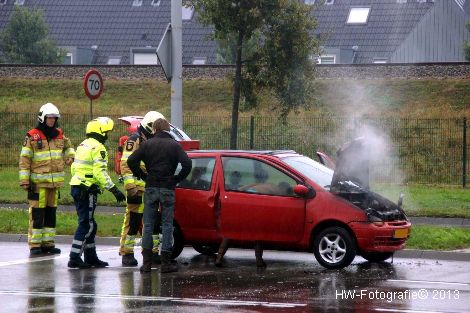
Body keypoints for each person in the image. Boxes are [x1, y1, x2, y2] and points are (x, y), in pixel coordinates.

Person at [128, 117, 192, 273]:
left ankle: (147, 264)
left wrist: (143, 176)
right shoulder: (174, 146)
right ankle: (165, 263)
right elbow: (187, 164)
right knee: (167, 225)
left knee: (148, 225)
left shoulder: (147, 144)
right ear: (167, 130)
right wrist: (176, 179)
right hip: (168, 188)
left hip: (151, 187)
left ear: (154, 130)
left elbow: (131, 161)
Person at [68, 117, 126, 269]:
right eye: (106, 133)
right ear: (99, 132)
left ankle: (91, 256)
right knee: (86, 224)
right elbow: (100, 172)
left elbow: (74, 168)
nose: (107, 136)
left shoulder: (82, 145)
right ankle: (74, 257)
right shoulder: (99, 148)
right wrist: (114, 189)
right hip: (87, 190)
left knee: (91, 223)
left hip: (76, 187)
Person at [19, 103, 75, 256]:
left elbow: (69, 147)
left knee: (51, 214)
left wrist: (70, 156)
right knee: (37, 214)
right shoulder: (32, 135)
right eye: (49, 118)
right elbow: (25, 159)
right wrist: (25, 180)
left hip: (54, 184)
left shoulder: (59, 134)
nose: (52, 121)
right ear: (43, 118)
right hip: (38, 184)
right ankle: (35, 244)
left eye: (54, 118)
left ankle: (48, 244)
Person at [119, 111, 166, 267]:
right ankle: (127, 253)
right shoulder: (134, 140)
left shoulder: (152, 141)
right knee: (133, 220)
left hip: (150, 188)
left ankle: (152, 252)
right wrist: (130, 187)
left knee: (153, 221)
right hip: (137, 189)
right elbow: (125, 165)